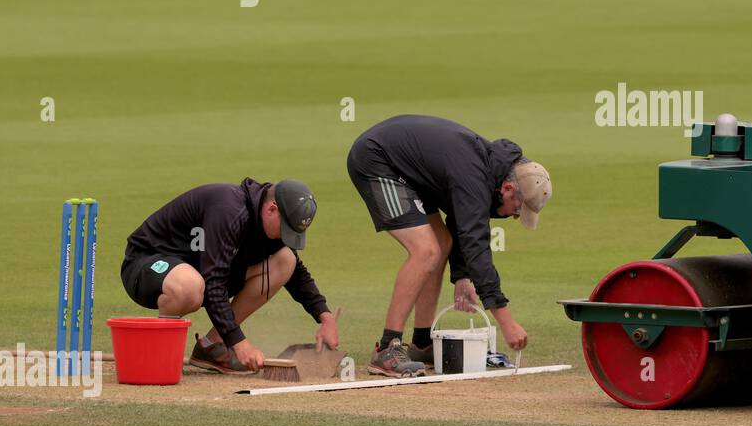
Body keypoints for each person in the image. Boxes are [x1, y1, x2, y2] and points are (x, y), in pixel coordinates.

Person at [346, 115, 550, 376]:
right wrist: (505, 320)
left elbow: (462, 221)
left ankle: (421, 343)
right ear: (508, 188)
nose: (513, 216)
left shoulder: (490, 171)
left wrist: (462, 276)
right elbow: (476, 244)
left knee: (441, 244)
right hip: (377, 159)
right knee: (425, 250)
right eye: (517, 209)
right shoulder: (474, 177)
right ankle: (387, 348)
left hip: (410, 170)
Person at [120, 178, 337, 374]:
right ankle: (160, 355)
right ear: (272, 209)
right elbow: (213, 282)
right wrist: (239, 342)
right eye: (286, 228)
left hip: (199, 274)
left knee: (286, 260)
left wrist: (324, 317)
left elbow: (297, 273)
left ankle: (212, 347)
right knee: (190, 286)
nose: (286, 236)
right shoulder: (229, 210)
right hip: (146, 265)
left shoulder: (269, 223)